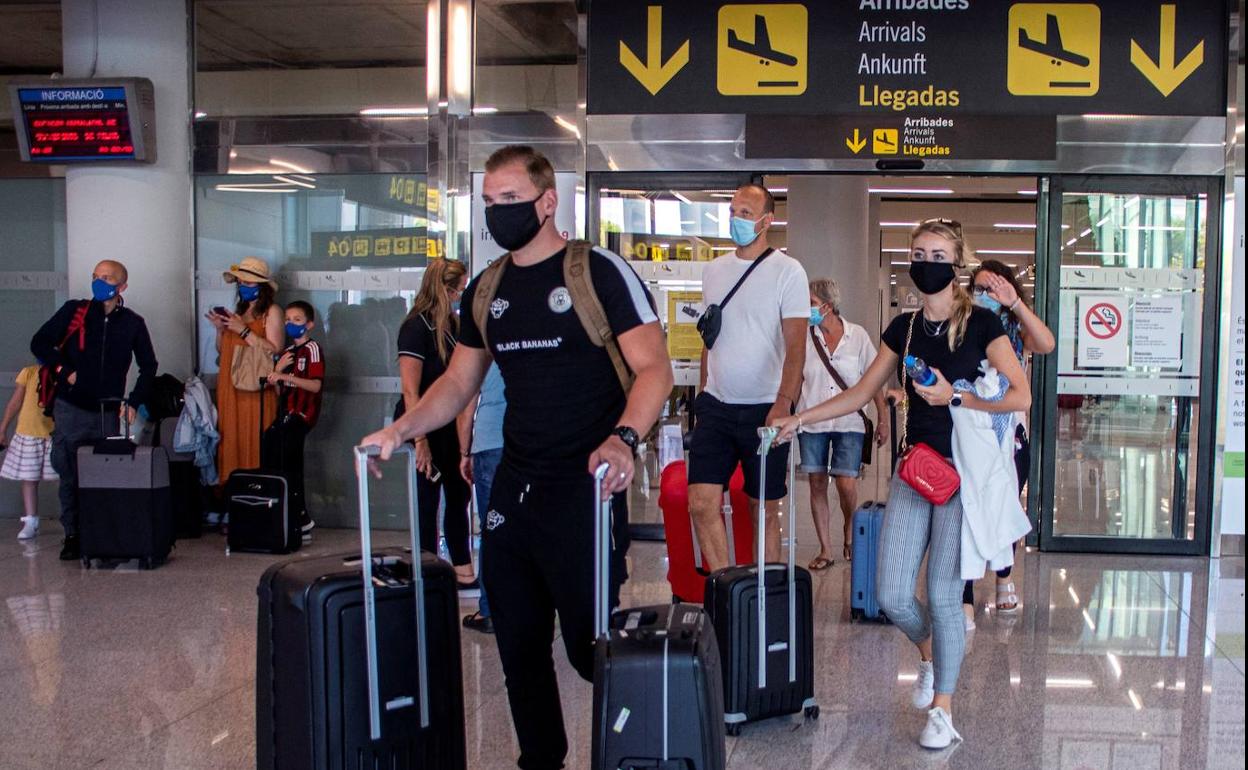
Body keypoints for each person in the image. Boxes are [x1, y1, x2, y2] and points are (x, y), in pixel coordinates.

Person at [361, 145, 672, 770]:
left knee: (591, 651)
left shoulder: (598, 274)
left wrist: (625, 439)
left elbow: (655, 369)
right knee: (519, 642)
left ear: (548, 201)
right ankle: (541, 760)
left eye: (511, 200)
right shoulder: (488, 289)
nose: (498, 213)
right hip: (515, 488)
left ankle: (641, 746)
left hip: (584, 491)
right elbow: (457, 383)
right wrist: (402, 428)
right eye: (489, 203)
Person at [773, 219, 1031, 749]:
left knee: (941, 591)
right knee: (892, 594)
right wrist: (800, 418)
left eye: (937, 253)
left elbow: (1021, 396)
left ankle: (943, 710)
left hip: (962, 474)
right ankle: (931, 656)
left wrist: (955, 399)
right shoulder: (904, 329)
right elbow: (863, 392)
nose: (926, 261)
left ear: (956, 262)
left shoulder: (983, 326)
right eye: (918, 252)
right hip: (915, 470)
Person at [687, 183, 809, 572]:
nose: (735, 219)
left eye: (744, 213)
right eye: (733, 211)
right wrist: (705, 391)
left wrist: (783, 403)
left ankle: (764, 596)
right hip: (717, 407)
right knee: (702, 502)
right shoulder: (714, 270)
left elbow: (796, 347)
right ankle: (727, 590)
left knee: (763, 508)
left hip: (764, 410)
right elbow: (711, 336)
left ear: (766, 221)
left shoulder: (788, 272)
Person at [30, 259, 158, 560]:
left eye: (107, 277)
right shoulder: (75, 311)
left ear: (122, 286)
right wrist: (64, 371)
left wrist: (134, 402)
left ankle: (103, 533)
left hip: (107, 411)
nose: (100, 282)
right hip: (71, 407)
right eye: (96, 276)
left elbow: (148, 366)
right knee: (70, 473)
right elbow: (40, 343)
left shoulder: (133, 323)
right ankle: (72, 535)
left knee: (105, 474)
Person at [960, 259, 1055, 623]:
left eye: (994, 289)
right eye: (980, 289)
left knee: (1005, 506)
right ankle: (965, 591)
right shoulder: (963, 326)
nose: (987, 296)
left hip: (1010, 432)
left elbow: (1046, 343)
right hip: (969, 429)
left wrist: (1014, 303)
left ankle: (1003, 578)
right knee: (967, 509)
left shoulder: (1016, 329)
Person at [395, 258, 475, 588]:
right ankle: (425, 570)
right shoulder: (416, 328)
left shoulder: (453, 327)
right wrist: (420, 441)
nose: (461, 295)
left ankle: (462, 568)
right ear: (444, 289)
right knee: (428, 498)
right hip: (424, 423)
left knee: (458, 494)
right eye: (459, 289)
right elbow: (410, 390)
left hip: (449, 423)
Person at [797, 278, 888, 569]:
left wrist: (883, 417)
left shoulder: (857, 336)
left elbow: (874, 381)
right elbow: (795, 378)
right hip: (812, 420)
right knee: (817, 482)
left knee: (846, 482)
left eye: (810, 302)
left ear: (828, 305)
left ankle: (849, 527)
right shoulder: (803, 336)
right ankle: (826, 549)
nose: (807, 308)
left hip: (850, 420)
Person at [206, 257, 283, 492]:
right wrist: (221, 330)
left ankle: (257, 500)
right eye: (240, 282)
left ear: (262, 287)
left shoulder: (272, 312)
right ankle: (234, 504)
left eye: (249, 283)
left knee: (256, 443)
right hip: (231, 387)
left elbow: (274, 349)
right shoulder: (238, 312)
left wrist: (244, 330)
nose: (243, 287)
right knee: (231, 442)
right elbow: (224, 350)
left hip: (255, 390)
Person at [261, 301, 325, 541]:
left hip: (302, 415)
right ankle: (282, 512)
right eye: (287, 319)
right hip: (285, 413)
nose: (290, 324)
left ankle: (301, 516)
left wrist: (285, 376)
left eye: (297, 320)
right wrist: (277, 374)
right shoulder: (288, 352)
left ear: (309, 324)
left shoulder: (312, 349)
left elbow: (315, 385)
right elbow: (280, 390)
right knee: (272, 450)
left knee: (291, 463)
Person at [458, 362, 506, 634]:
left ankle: (490, 610)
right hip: (527, 442)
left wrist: (464, 451)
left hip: (489, 442)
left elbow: (467, 404)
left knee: (493, 529)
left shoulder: (484, 347)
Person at [0, 365, 59, 540]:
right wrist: (3, 428)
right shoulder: (29, 372)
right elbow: (15, 402)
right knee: (29, 478)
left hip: (55, 433)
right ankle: (31, 521)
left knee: (64, 478)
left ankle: (71, 519)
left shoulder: (64, 372)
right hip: (29, 432)